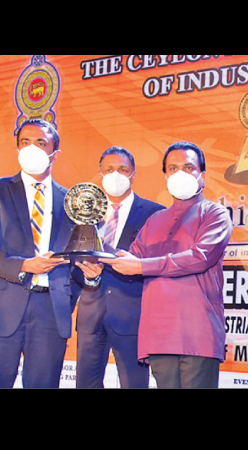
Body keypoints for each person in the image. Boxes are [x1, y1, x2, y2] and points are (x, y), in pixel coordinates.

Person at [0, 119, 102, 388]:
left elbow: (76, 259)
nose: (32, 148)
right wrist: (25, 265)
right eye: (25, 142)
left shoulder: (73, 201)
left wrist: (90, 276)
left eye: (41, 143)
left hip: (50, 311)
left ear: (55, 153)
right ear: (17, 148)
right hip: (1, 306)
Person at [100, 142, 232, 388]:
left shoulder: (215, 214)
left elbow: (200, 257)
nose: (180, 173)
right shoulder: (155, 220)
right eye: (173, 167)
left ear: (202, 176)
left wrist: (142, 266)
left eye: (188, 167)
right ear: (165, 175)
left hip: (197, 331)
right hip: (158, 333)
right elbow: (127, 260)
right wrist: (94, 243)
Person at [74, 146, 165, 388]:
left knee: (134, 384)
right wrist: (88, 277)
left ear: (133, 175)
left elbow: (158, 266)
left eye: (123, 170)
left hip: (133, 316)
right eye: (110, 169)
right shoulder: (83, 212)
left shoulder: (154, 214)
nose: (116, 174)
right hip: (91, 314)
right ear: (100, 173)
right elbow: (73, 263)